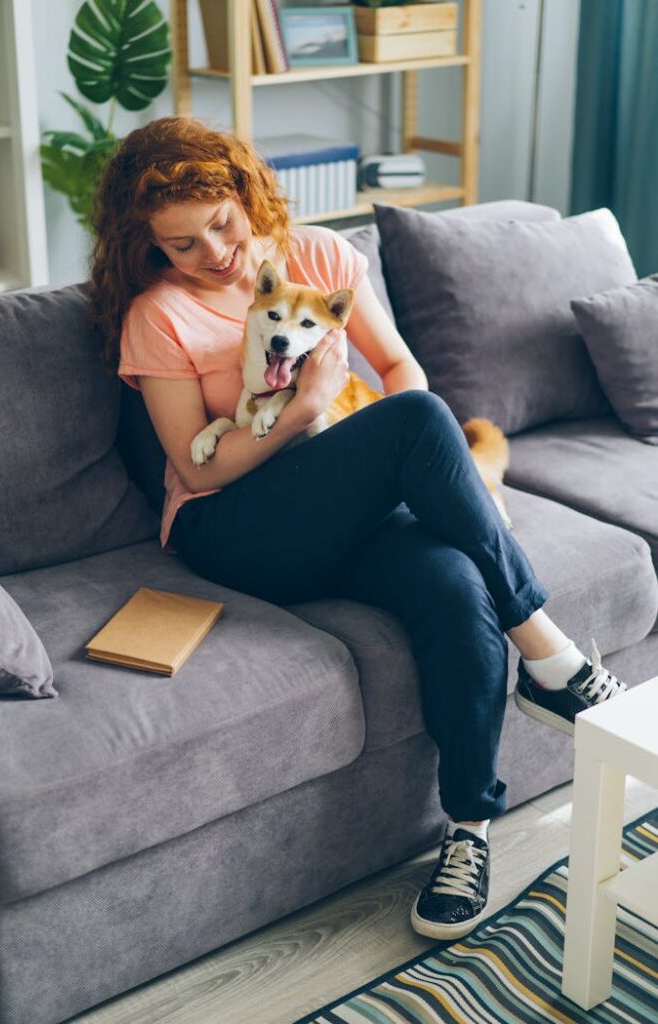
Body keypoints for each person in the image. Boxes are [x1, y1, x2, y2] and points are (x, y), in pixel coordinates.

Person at [89, 116, 627, 941]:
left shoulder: (319, 257)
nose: (214, 253)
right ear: (149, 248)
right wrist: (306, 407)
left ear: (243, 191)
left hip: (342, 506)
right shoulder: (158, 315)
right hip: (235, 528)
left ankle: (468, 830)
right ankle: (551, 656)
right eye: (180, 244)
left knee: (454, 582)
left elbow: (402, 368)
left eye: (222, 223)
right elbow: (195, 470)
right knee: (414, 422)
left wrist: (365, 446)